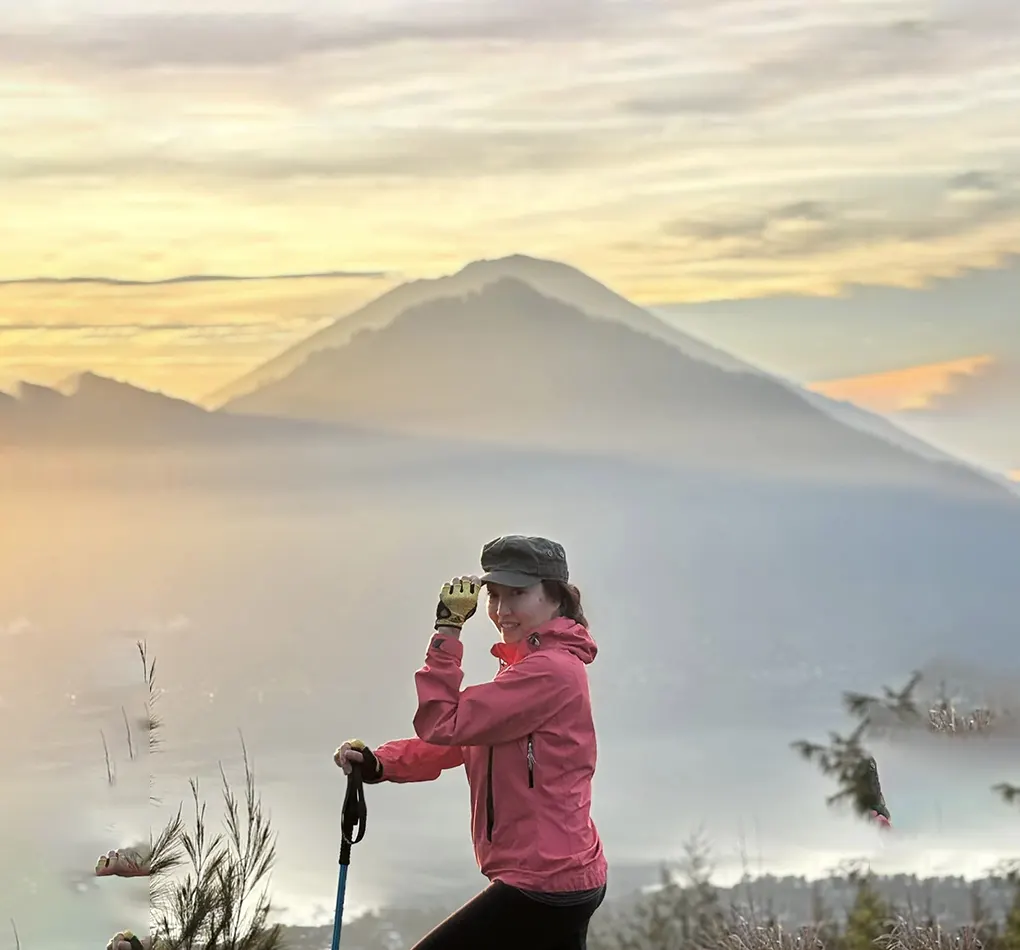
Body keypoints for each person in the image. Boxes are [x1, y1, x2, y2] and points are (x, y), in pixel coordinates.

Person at [335, 534, 607, 950]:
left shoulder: (550, 672)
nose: (501, 611)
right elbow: (464, 739)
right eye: (494, 596)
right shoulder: (530, 666)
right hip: (558, 875)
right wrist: (382, 763)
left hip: (542, 883)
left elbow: (442, 722)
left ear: (556, 598)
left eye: (517, 594)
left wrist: (447, 630)